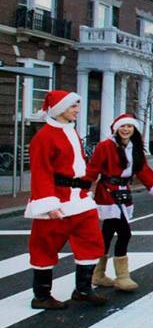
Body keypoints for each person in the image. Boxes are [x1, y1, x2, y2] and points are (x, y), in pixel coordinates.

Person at [24, 90, 107, 309]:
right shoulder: (44, 137)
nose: (78, 110)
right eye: (73, 106)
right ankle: (41, 296)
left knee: (91, 241)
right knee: (45, 246)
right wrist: (48, 204)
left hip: (79, 199)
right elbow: (41, 172)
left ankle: (83, 290)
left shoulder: (71, 131)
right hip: (56, 201)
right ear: (60, 109)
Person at [88, 114, 153, 291]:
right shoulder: (105, 146)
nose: (126, 129)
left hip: (124, 192)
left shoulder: (134, 148)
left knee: (108, 233)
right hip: (108, 192)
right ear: (116, 128)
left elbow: (143, 170)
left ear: (134, 130)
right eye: (123, 126)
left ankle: (97, 273)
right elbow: (92, 169)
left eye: (130, 126)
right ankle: (122, 276)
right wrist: (83, 190)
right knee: (124, 233)